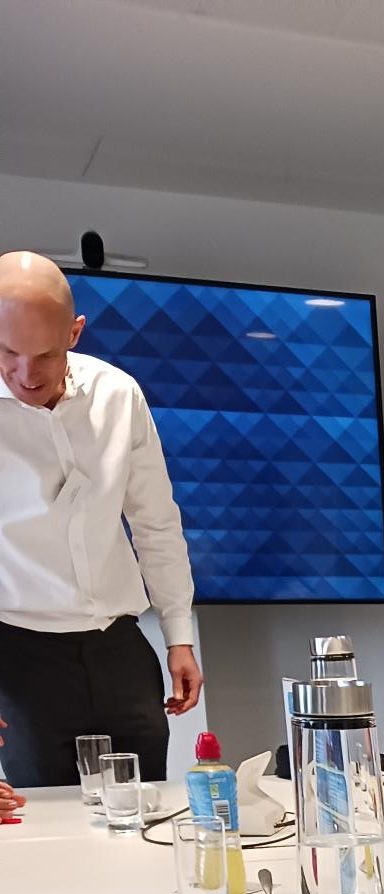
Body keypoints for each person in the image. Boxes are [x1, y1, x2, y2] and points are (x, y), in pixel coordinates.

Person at [0, 251, 202, 787]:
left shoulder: (118, 394)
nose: (24, 373)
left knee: (144, 815)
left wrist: (179, 637)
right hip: (18, 654)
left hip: (121, 647)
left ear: (74, 332)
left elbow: (156, 522)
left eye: (43, 354)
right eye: (6, 351)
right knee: (50, 831)